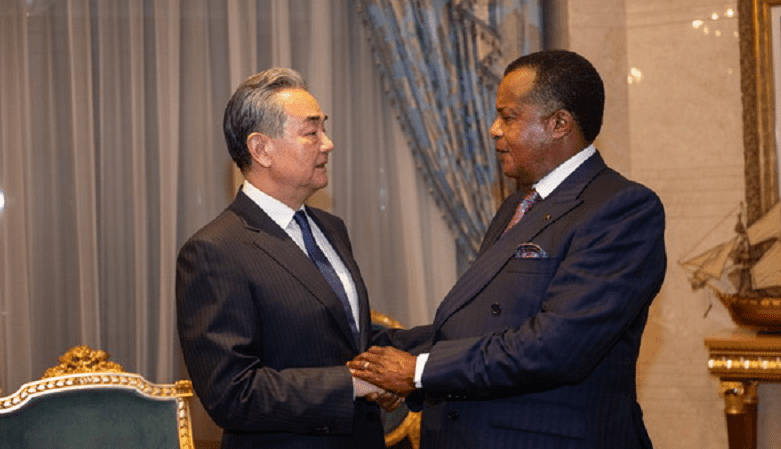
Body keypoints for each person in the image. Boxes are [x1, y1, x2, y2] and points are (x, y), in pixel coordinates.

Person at [349, 50, 667, 449]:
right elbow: (479, 327)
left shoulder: (621, 208)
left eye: (508, 117)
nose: (493, 129)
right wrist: (371, 351)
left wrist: (418, 371)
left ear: (559, 124)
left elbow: (556, 346)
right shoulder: (518, 205)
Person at [176, 68, 398, 449]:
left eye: (324, 129)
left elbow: (346, 336)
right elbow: (231, 392)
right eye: (312, 132)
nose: (328, 144)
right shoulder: (214, 251)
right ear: (261, 149)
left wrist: (425, 355)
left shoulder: (331, 228)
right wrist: (351, 384)